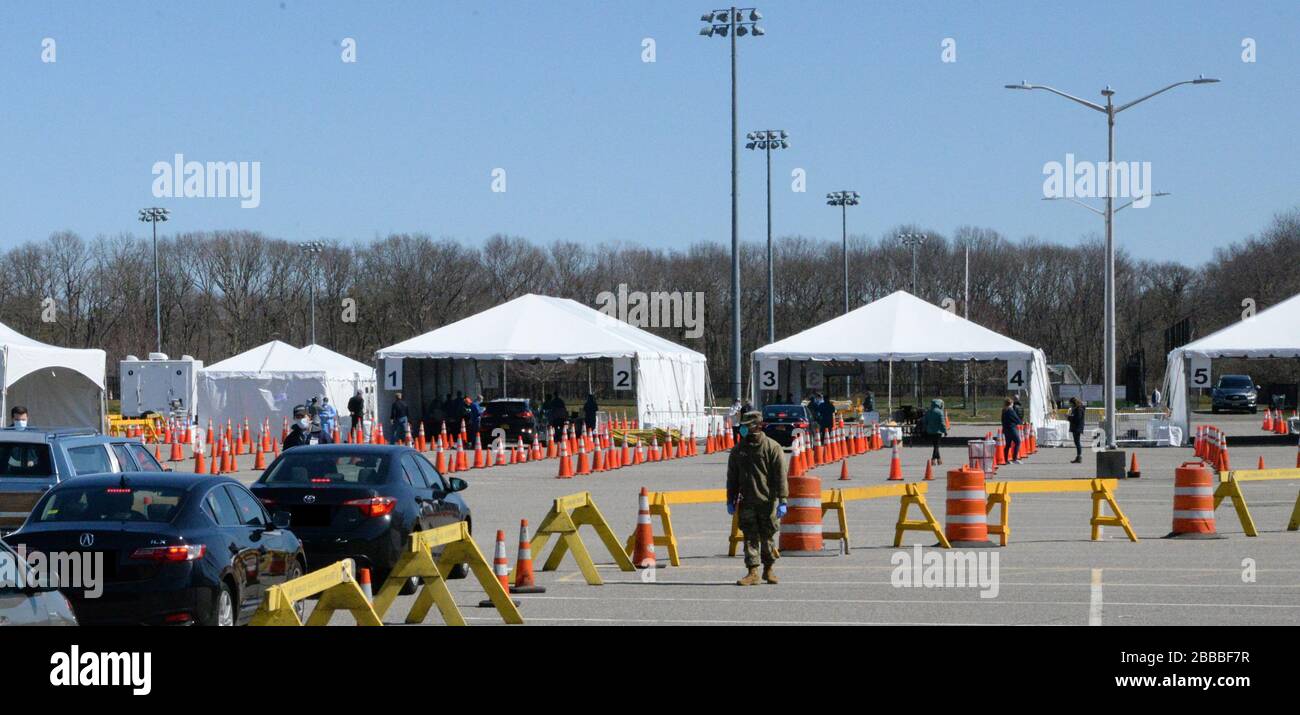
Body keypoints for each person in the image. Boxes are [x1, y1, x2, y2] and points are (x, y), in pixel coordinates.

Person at [725, 411, 788, 586]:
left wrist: (783, 500)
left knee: (767, 537)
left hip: (766, 501)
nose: (744, 429)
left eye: (748, 426)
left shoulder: (772, 447)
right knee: (750, 537)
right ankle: (752, 572)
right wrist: (730, 499)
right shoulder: (738, 450)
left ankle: (769, 569)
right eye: (743, 426)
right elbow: (732, 477)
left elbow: (781, 476)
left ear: (758, 426)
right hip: (746, 500)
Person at [923, 398, 947, 465]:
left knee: (935, 445)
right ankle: (933, 459)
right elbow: (942, 423)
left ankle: (939, 459)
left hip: (930, 431)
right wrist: (945, 431)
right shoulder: (940, 412)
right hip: (938, 431)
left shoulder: (928, 412)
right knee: (936, 446)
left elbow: (925, 422)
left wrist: (925, 429)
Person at [1001, 397, 1023, 464]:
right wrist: (1021, 422)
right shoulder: (1011, 410)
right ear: (1011, 403)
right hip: (1012, 428)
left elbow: (1002, 421)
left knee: (1008, 444)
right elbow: (1016, 419)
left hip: (1006, 429)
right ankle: (1015, 459)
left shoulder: (1004, 410)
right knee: (1018, 442)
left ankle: (1006, 460)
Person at [1067, 396, 1086, 464]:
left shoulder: (1078, 409)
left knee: (1077, 442)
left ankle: (1079, 457)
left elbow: (1077, 419)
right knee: (1076, 442)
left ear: (1074, 403)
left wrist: (1068, 417)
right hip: (1076, 427)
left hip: (1077, 427)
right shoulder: (1077, 408)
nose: (1070, 405)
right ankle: (1078, 457)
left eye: (1071, 403)